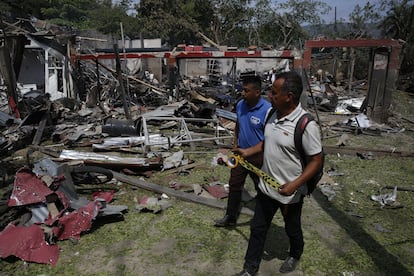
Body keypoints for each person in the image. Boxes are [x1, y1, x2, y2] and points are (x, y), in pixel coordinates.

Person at [235, 71, 324, 275]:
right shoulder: (272, 114)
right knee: (257, 228)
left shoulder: (306, 125)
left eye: (274, 93)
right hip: (267, 186)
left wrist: (295, 184)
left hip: (290, 191)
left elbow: (316, 160)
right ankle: (250, 269)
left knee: (292, 227)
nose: (269, 96)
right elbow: (269, 140)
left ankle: (295, 253)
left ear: (288, 96)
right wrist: (248, 151)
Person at [214, 74, 271, 227]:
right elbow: (238, 125)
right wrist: (234, 145)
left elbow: (270, 138)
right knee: (234, 184)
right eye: (242, 90)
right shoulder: (240, 105)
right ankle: (230, 217)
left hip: (259, 157)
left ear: (257, 92)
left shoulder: (267, 110)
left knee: (262, 188)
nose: (242, 93)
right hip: (240, 154)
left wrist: (252, 152)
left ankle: (262, 218)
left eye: (246, 90)